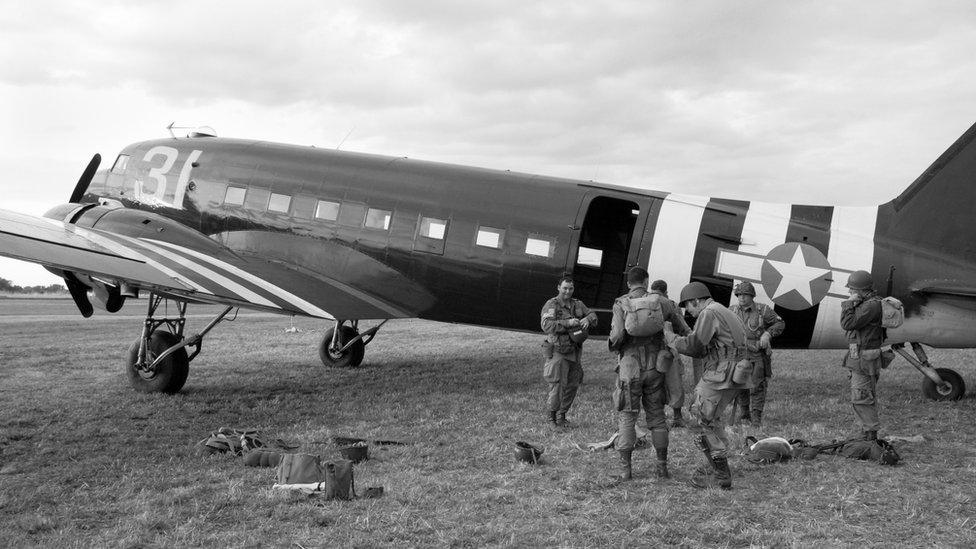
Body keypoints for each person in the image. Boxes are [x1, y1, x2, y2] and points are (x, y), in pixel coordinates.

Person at [664, 281, 751, 490]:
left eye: (689, 307)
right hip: (734, 372)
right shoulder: (724, 310)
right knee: (711, 418)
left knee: (699, 417)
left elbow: (695, 346)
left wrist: (670, 337)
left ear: (696, 300)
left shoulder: (709, 312)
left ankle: (720, 474)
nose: (690, 312)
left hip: (722, 373)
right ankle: (715, 464)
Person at [608, 267, 689, 481]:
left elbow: (616, 336)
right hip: (656, 366)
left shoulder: (621, 303)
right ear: (646, 281)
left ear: (628, 284)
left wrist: (616, 346)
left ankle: (626, 470)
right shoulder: (663, 302)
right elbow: (683, 329)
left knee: (627, 416)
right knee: (657, 418)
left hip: (629, 366)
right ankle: (662, 467)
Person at [540, 275, 598, 428]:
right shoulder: (551, 304)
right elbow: (546, 325)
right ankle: (551, 419)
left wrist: (588, 320)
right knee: (557, 385)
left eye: (570, 288)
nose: (568, 291)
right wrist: (568, 323)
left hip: (575, 352)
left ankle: (562, 416)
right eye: (565, 288)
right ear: (559, 287)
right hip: (559, 351)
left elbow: (593, 315)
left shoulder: (577, 304)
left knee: (572, 385)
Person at [729, 281, 785, 426]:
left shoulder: (763, 310)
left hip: (757, 355)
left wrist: (767, 334)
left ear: (752, 296)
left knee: (757, 387)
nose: (741, 298)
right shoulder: (731, 310)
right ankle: (744, 415)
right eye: (739, 295)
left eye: (745, 295)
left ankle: (756, 419)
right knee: (740, 384)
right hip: (739, 355)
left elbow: (780, 323)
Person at [840, 270, 884, 441]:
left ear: (859, 290)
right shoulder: (868, 304)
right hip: (859, 357)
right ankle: (866, 431)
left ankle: (870, 436)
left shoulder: (871, 306)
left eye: (851, 289)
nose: (849, 293)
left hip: (864, 358)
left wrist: (848, 304)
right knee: (861, 395)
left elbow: (847, 323)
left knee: (862, 396)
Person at [649, 279, 692, 428]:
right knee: (674, 382)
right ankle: (677, 416)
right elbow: (681, 326)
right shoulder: (670, 303)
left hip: (647, 349)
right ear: (665, 291)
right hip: (667, 347)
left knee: (652, 382)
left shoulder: (642, 300)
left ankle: (655, 415)